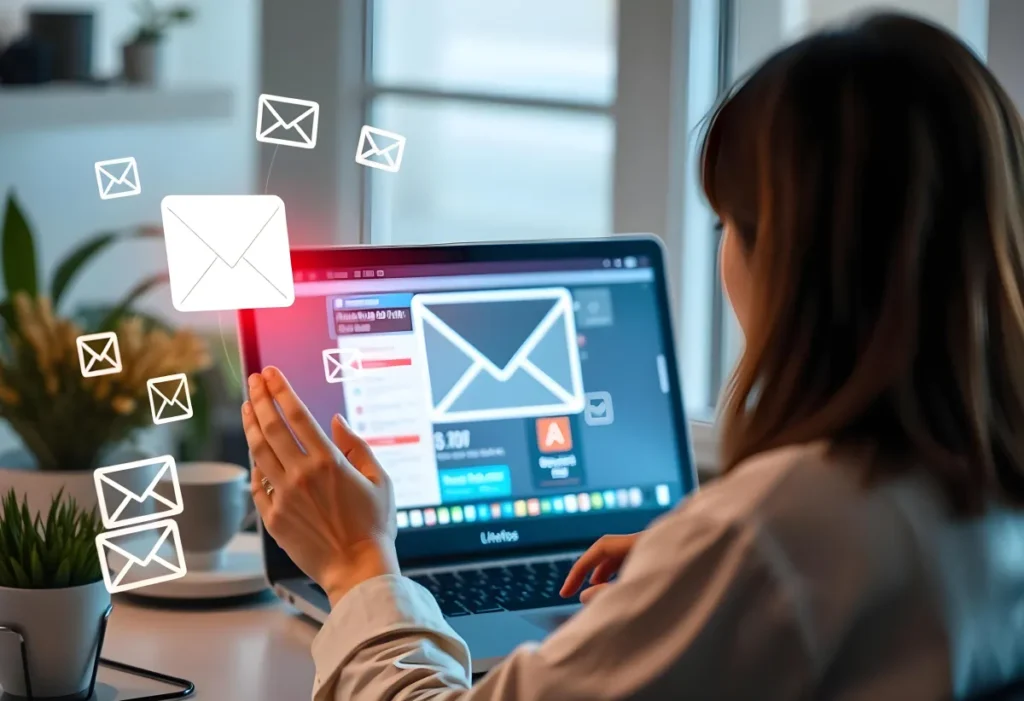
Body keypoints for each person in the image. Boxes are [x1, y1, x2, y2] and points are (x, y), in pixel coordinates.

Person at [241, 12, 1024, 701]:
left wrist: (358, 562)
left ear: (791, 260)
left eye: (727, 226)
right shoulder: (973, 493)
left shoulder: (779, 538)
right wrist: (692, 568)